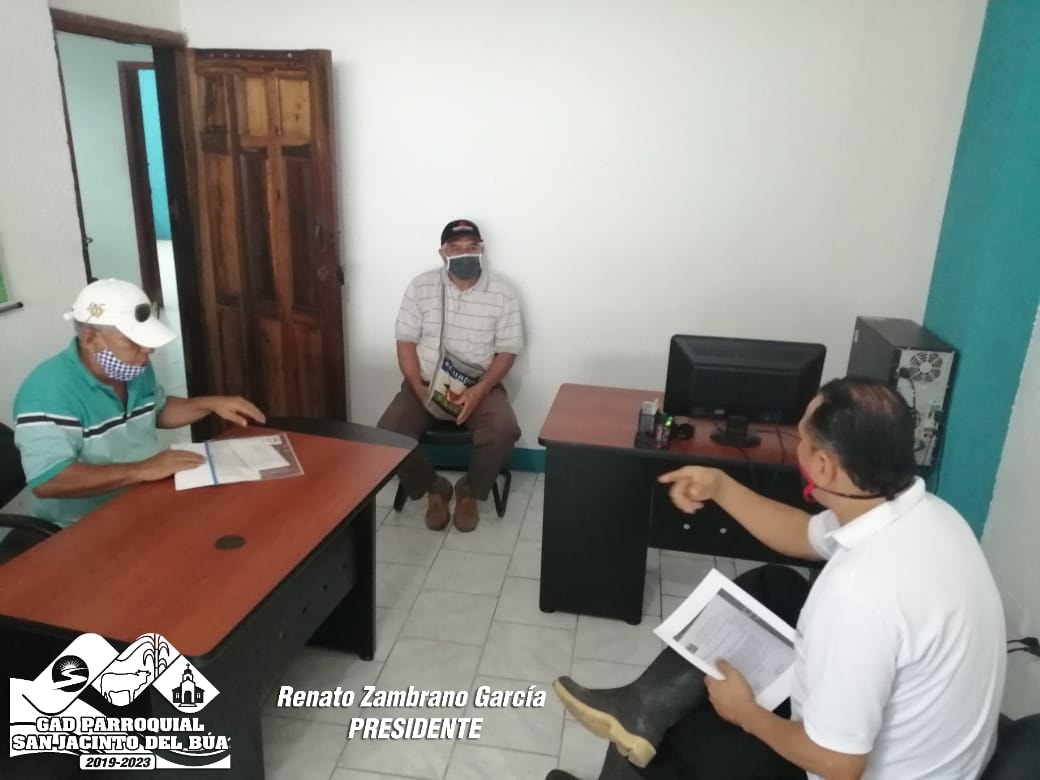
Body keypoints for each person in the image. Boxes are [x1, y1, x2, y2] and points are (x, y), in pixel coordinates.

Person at [548, 378, 1006, 780]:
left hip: (855, 767)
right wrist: (721, 485)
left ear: (822, 466)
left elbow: (840, 764)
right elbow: (802, 535)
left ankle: (647, 731)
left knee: (688, 734)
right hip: (924, 748)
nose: (795, 445)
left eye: (801, 439)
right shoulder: (927, 514)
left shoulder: (858, 598)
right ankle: (641, 707)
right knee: (774, 586)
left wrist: (746, 714)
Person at [13, 278, 265, 528]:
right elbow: (48, 480)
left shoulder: (133, 367)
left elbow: (158, 411)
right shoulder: (47, 391)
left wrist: (211, 404)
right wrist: (143, 469)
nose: (147, 350)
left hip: (143, 498)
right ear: (91, 339)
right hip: (79, 525)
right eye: (132, 340)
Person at [377, 219, 522, 532]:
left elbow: (508, 351)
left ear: (482, 249)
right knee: (389, 432)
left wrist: (480, 390)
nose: (464, 254)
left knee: (504, 430)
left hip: (479, 386)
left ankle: (470, 492)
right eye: (455, 249)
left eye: (471, 247)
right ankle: (434, 488)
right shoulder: (421, 287)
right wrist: (419, 390)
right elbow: (405, 343)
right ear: (442, 253)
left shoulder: (503, 293)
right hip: (425, 383)